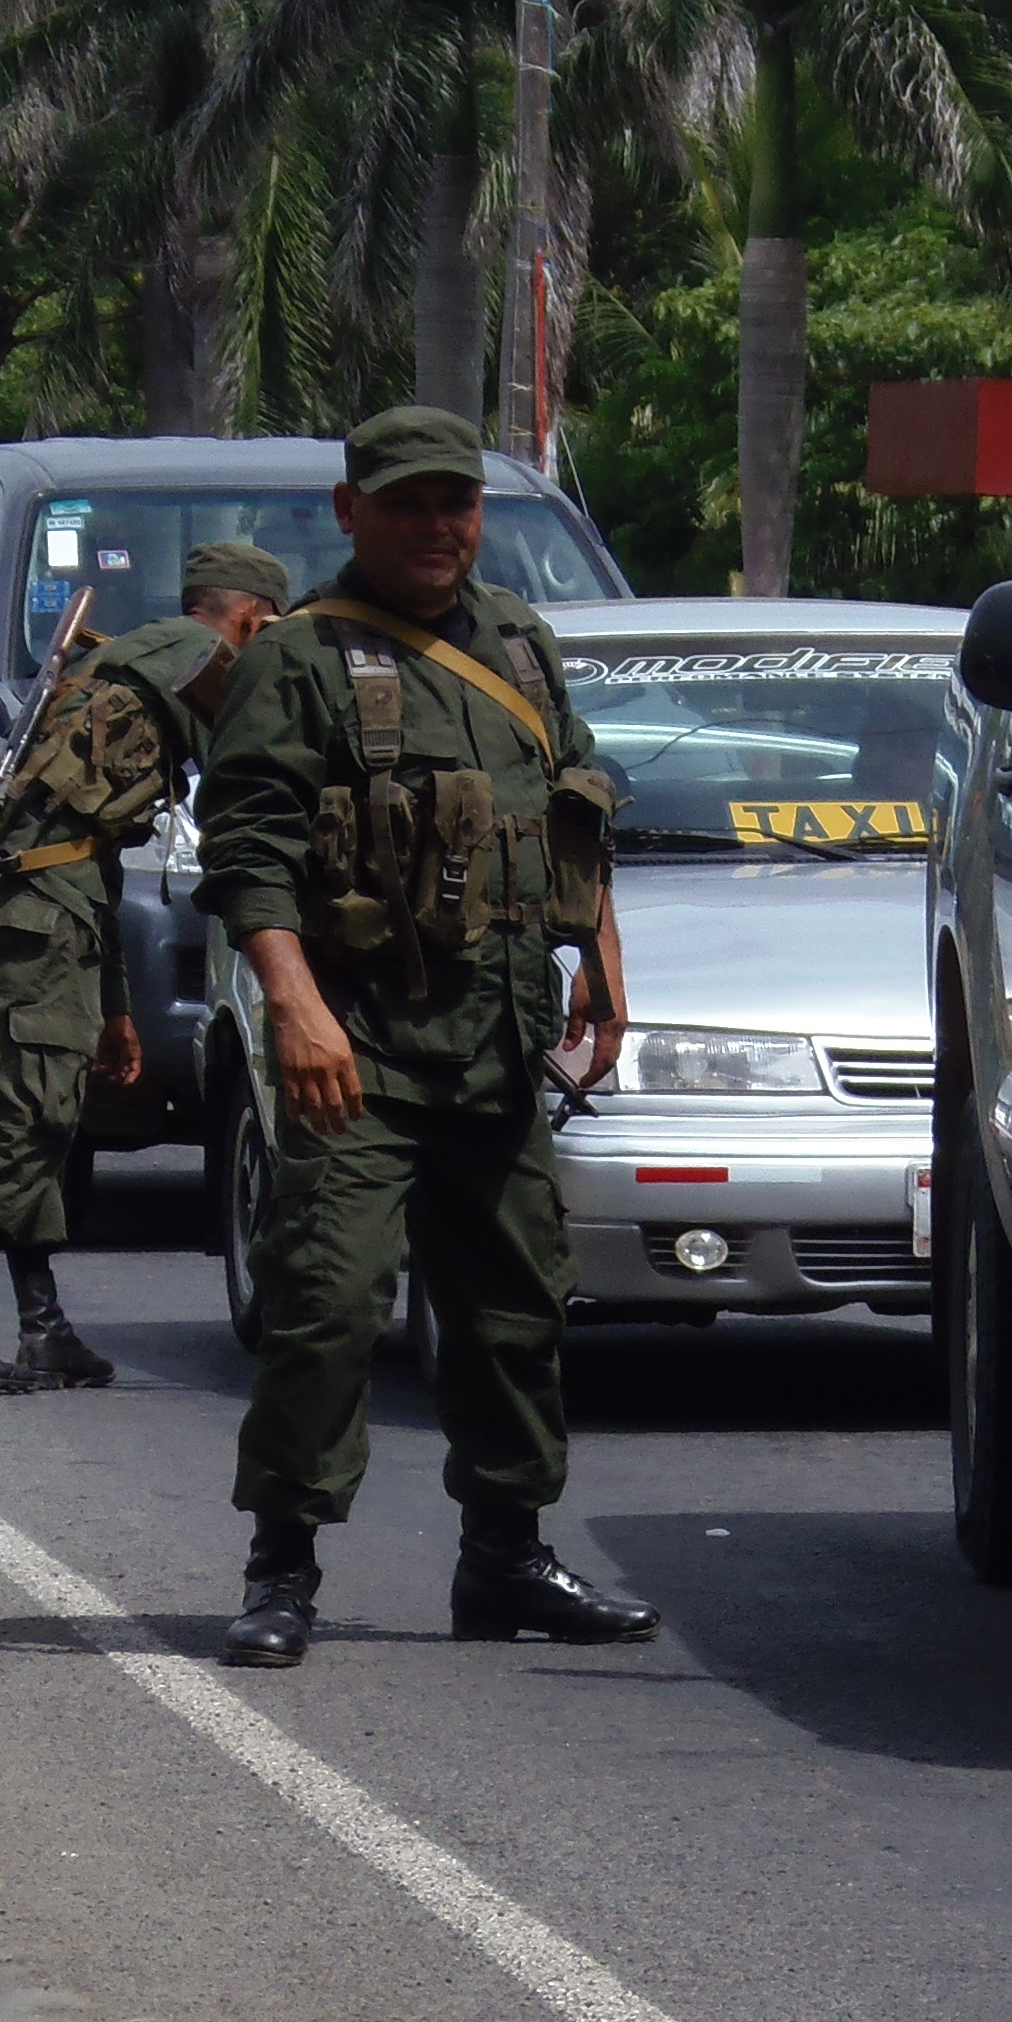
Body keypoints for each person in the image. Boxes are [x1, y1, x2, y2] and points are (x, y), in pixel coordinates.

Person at [193, 406, 661, 1667]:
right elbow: (247, 855)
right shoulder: (295, 661)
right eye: (407, 504)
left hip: (499, 1041)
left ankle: (504, 1558)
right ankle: (281, 1567)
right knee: (327, 1302)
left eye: (456, 502)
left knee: (514, 1306)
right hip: (360, 1047)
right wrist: (292, 1007)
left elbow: (576, 808)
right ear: (351, 514)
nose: (438, 527)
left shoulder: (518, 639)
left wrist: (601, 968)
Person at [0, 539, 293, 1392]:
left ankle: (43, 1326)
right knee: (31, 1115)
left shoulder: (120, 658)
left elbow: (95, 849)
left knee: (40, 1108)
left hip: (16, 896)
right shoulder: (209, 663)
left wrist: (113, 1004)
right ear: (253, 617)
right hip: (38, 907)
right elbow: (248, 781)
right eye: (274, 631)